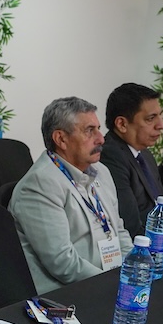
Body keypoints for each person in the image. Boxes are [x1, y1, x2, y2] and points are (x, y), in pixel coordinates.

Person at [9, 97, 133, 295]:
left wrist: (133, 271)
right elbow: (63, 263)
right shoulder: (40, 184)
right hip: (67, 294)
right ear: (61, 139)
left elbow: (118, 230)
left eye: (98, 129)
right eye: (89, 130)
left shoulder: (101, 171)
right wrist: (114, 285)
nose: (101, 139)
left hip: (109, 282)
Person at [101, 83, 163, 244]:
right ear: (122, 124)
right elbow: (130, 225)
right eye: (150, 118)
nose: (161, 125)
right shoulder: (111, 156)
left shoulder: (145, 154)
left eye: (159, 116)